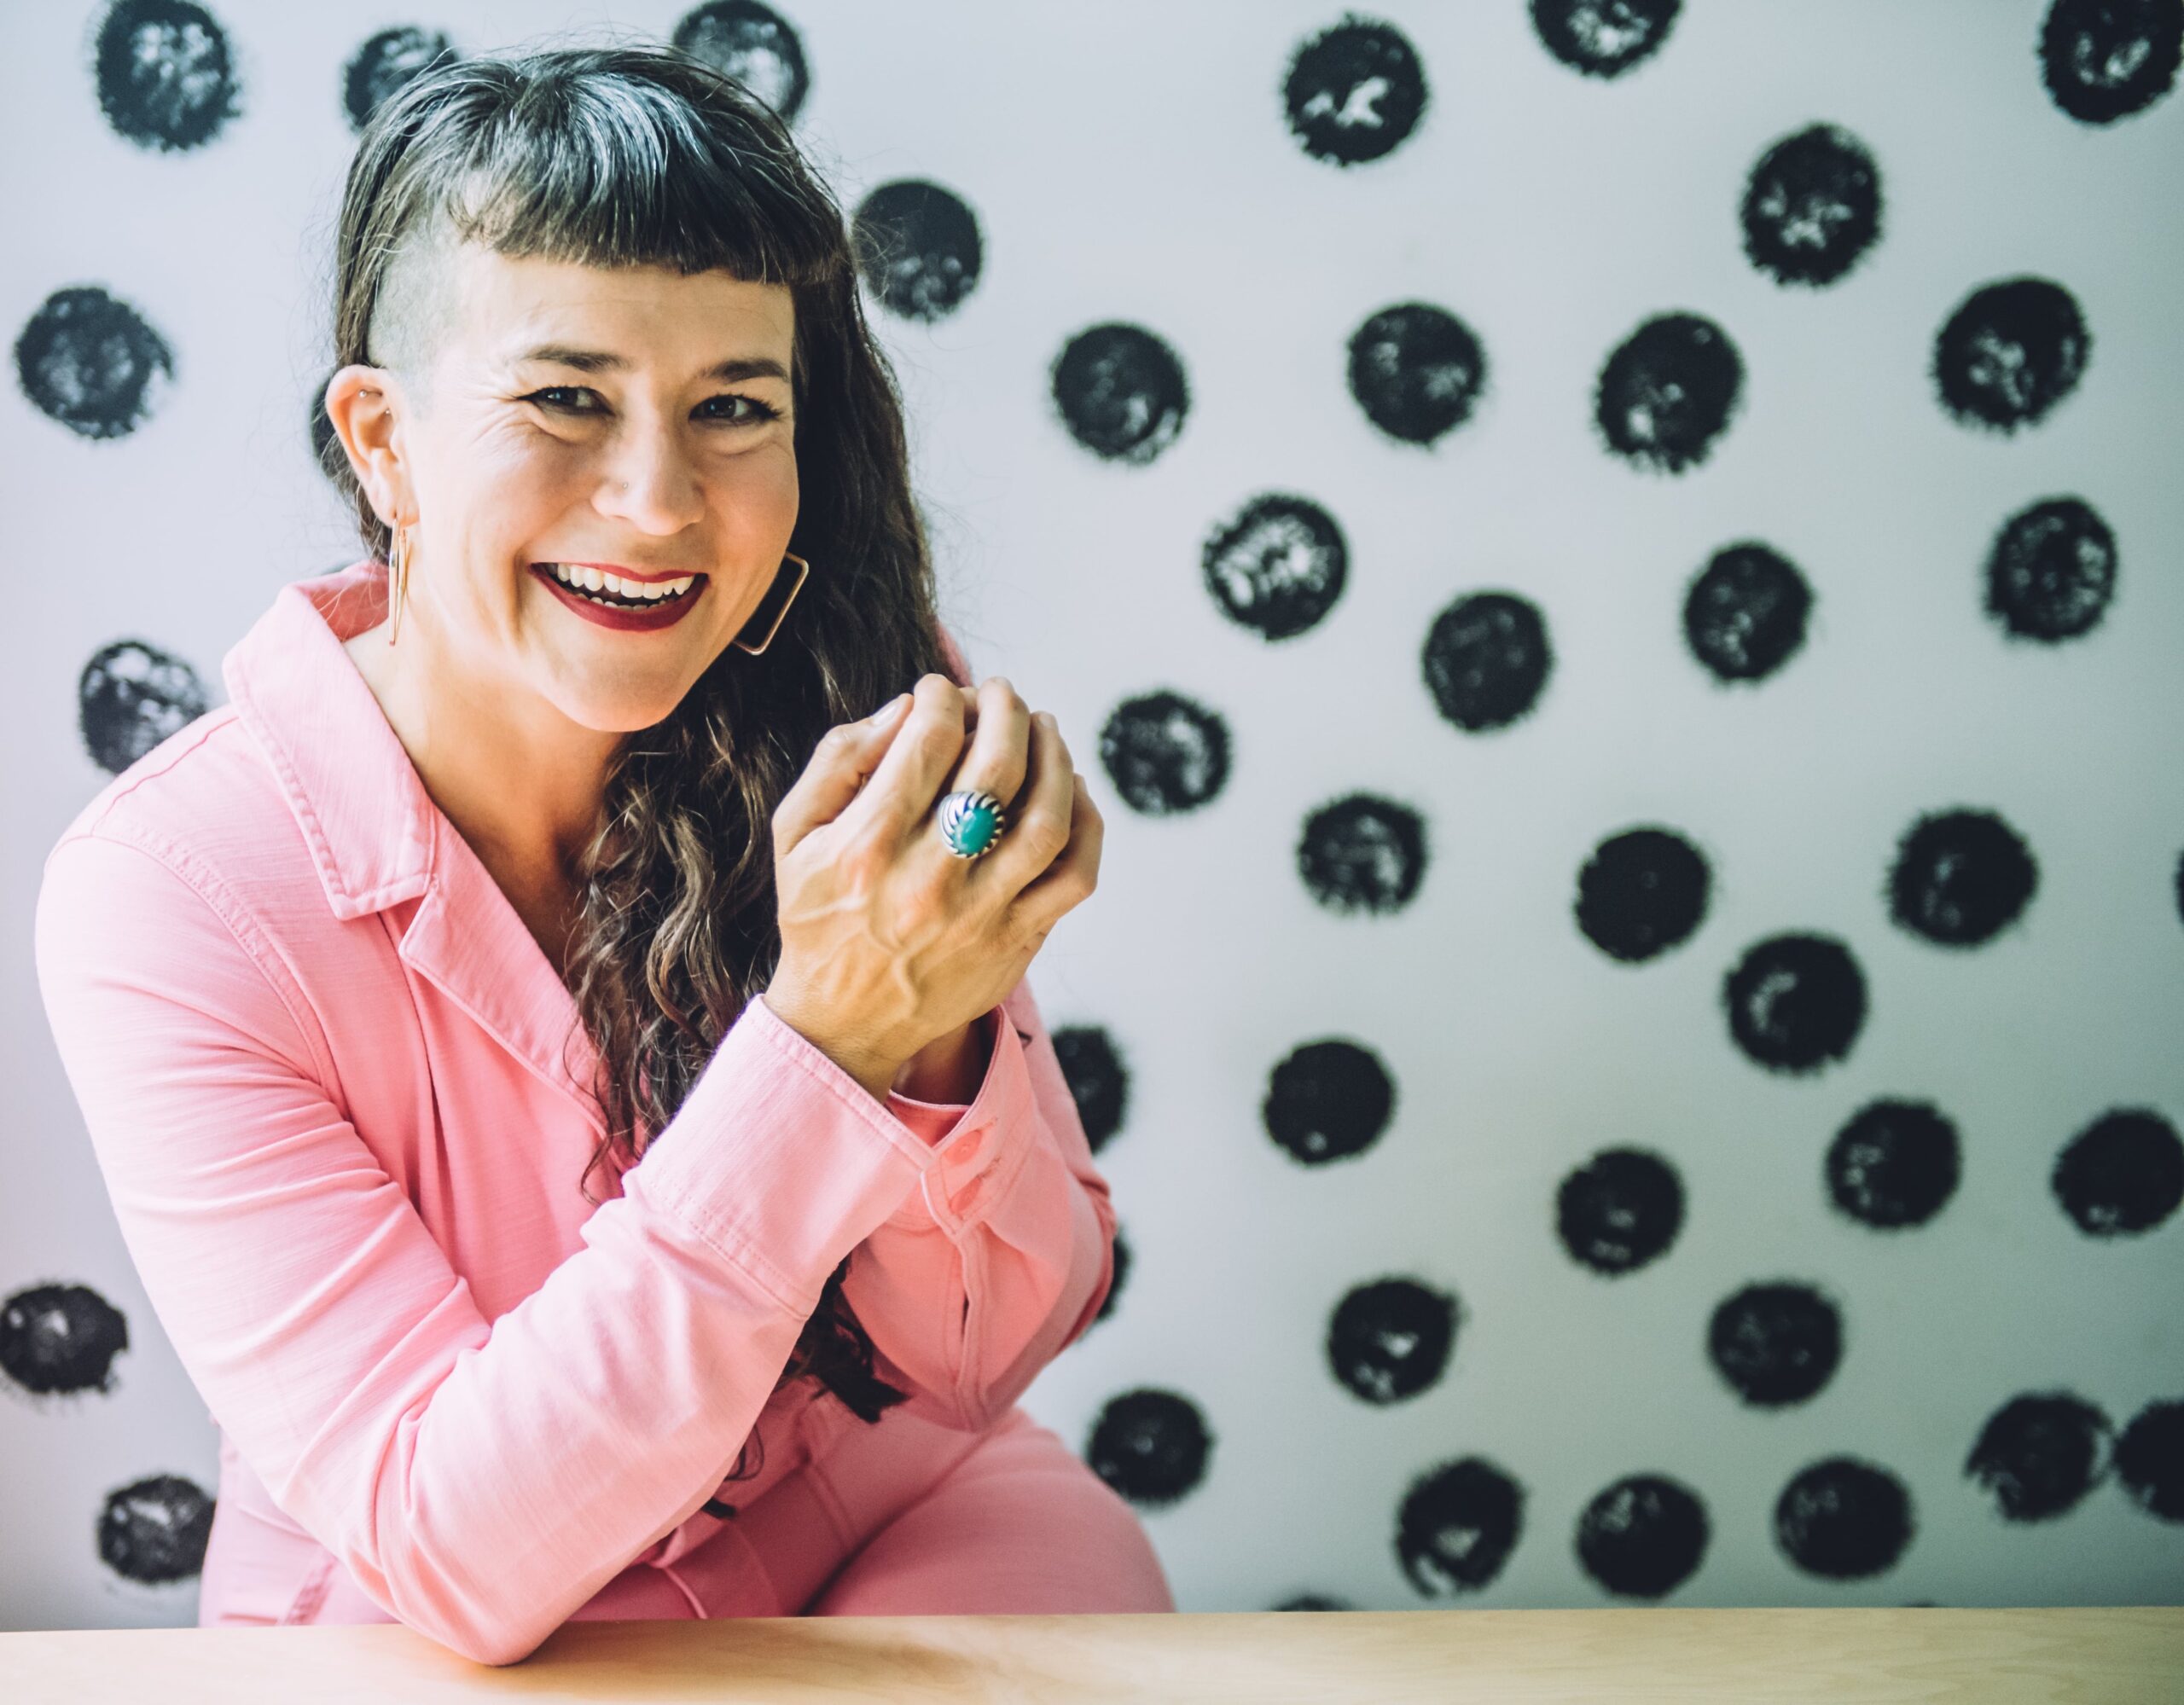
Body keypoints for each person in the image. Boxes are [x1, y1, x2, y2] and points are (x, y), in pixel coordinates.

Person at [32, 42, 1172, 1667]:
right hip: (428, 1622)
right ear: (384, 442)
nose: (658, 503)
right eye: (567, 399)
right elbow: (465, 1551)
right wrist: (827, 1041)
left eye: (734, 410)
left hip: (895, 1511)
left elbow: (980, 1358)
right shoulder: (171, 894)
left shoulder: (857, 704)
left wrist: (938, 1021)